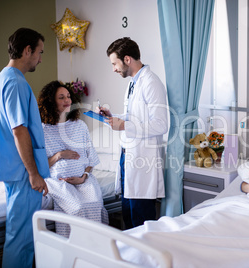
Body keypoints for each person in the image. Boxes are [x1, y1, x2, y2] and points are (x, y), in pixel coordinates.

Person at [97, 37, 168, 229]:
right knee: (128, 220)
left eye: (114, 63)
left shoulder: (151, 83)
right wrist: (113, 117)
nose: (114, 69)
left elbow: (161, 125)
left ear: (127, 59)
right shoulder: (132, 84)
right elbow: (134, 117)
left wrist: (124, 126)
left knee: (141, 223)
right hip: (127, 157)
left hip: (141, 162)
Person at [0, 28, 49, 268]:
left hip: (13, 169)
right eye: (39, 52)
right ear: (27, 50)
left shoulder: (3, 78)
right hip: (23, 172)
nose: (40, 58)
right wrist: (34, 173)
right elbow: (19, 130)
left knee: (20, 236)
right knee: (22, 239)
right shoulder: (15, 82)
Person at [38, 80, 108, 237]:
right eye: (61, 97)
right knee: (76, 208)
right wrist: (59, 155)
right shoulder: (43, 130)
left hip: (84, 179)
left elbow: (91, 159)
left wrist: (84, 177)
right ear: (51, 101)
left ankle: (97, 247)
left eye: (68, 96)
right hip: (58, 181)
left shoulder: (79, 125)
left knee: (95, 204)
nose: (67, 100)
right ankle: (74, 249)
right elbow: (39, 166)